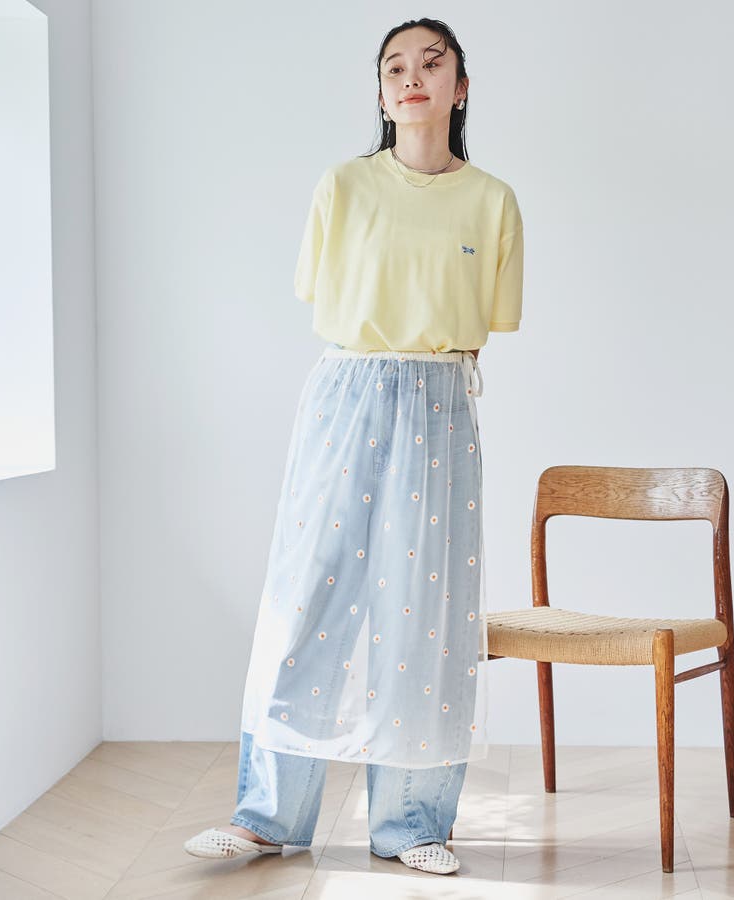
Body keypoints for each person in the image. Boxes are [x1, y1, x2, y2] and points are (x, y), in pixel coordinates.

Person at [185, 17, 524, 876]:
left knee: (426, 613)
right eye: (394, 67)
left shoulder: (493, 201)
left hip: (442, 402)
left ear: (461, 87)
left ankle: (411, 823)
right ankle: (267, 816)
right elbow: (322, 298)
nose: (412, 78)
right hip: (347, 396)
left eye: (432, 63)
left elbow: (486, 322)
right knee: (307, 599)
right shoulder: (342, 186)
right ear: (379, 91)